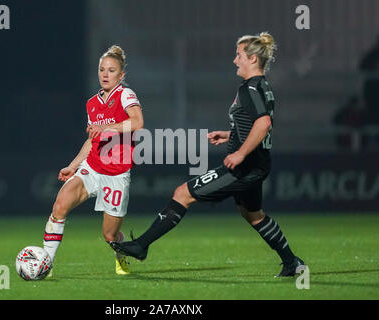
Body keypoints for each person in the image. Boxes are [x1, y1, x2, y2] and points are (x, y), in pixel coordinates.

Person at [111, 32, 306, 277]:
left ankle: (141, 245)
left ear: (253, 59)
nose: (235, 61)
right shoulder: (262, 86)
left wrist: (240, 153)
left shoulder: (251, 88)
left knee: (182, 194)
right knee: (253, 215)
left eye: (239, 56)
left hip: (244, 167)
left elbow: (264, 123)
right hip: (257, 164)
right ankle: (292, 263)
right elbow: (254, 123)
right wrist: (230, 134)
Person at [43, 45, 144, 276]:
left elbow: (137, 122)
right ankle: (45, 263)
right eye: (101, 70)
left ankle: (121, 254)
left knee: (109, 235)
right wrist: (73, 165)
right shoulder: (92, 103)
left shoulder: (125, 95)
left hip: (116, 174)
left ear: (121, 75)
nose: (105, 74)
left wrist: (105, 127)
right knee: (60, 205)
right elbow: (93, 140)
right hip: (93, 168)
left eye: (111, 70)